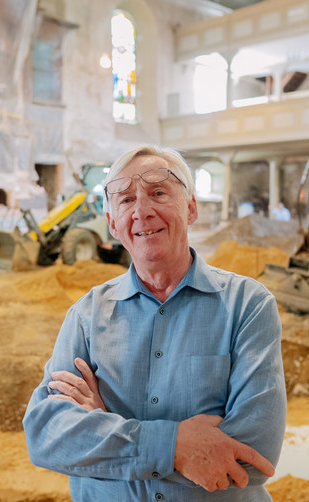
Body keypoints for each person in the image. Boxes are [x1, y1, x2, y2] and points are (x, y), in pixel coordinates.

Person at [23, 146, 287, 501]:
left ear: (190, 207)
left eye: (158, 193)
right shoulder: (86, 316)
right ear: (112, 222)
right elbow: (47, 434)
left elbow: (253, 456)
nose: (142, 211)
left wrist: (103, 429)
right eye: (126, 199)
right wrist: (177, 447)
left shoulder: (248, 306)